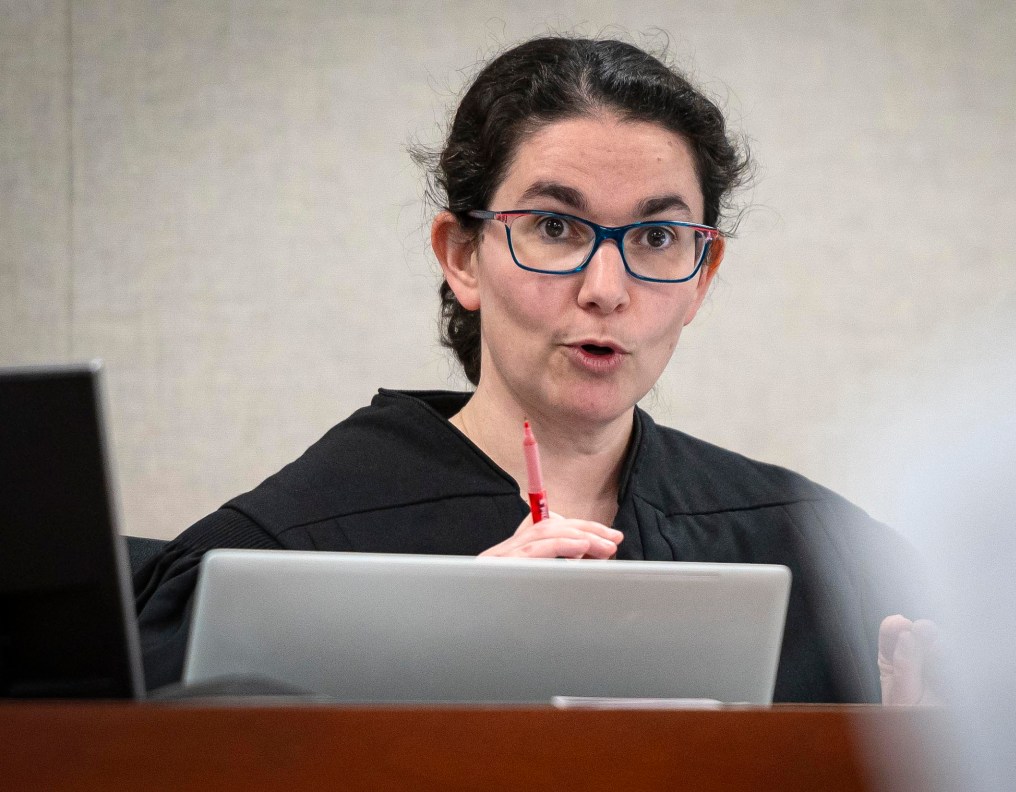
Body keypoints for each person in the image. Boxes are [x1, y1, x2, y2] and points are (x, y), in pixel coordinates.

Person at [134, 35, 934, 702]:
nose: (606, 290)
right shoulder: (288, 551)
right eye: (555, 226)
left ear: (703, 276)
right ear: (462, 257)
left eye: (657, 238)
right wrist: (436, 656)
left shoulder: (818, 551)